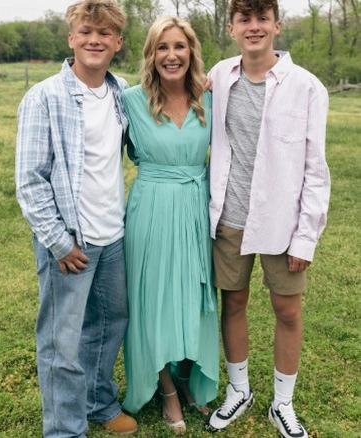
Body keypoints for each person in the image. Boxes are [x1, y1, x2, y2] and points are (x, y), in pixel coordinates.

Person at [204, 0, 330, 436]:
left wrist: (305, 238)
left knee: (287, 309)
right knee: (232, 302)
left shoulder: (307, 87)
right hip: (230, 218)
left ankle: (283, 402)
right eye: (244, 19)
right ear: (232, 26)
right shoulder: (219, 77)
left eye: (261, 19)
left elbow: (316, 169)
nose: (253, 27)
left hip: (283, 222)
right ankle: (239, 390)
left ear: (276, 25)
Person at [14, 0, 138, 436]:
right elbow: (29, 180)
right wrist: (58, 241)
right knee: (61, 343)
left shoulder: (122, 91)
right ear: (71, 38)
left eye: (104, 34)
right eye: (86, 31)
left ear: (118, 43)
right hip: (70, 240)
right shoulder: (44, 96)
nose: (94, 40)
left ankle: (99, 403)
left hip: (114, 233)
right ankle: (66, 429)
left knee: (109, 323)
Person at [119, 16, 218, 434]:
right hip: (152, 209)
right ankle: (166, 390)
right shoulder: (128, 101)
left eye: (179, 46)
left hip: (198, 205)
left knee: (196, 298)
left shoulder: (209, 97)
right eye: (162, 47)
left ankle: (186, 375)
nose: (171, 55)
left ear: (192, 51)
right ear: (151, 54)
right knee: (154, 301)